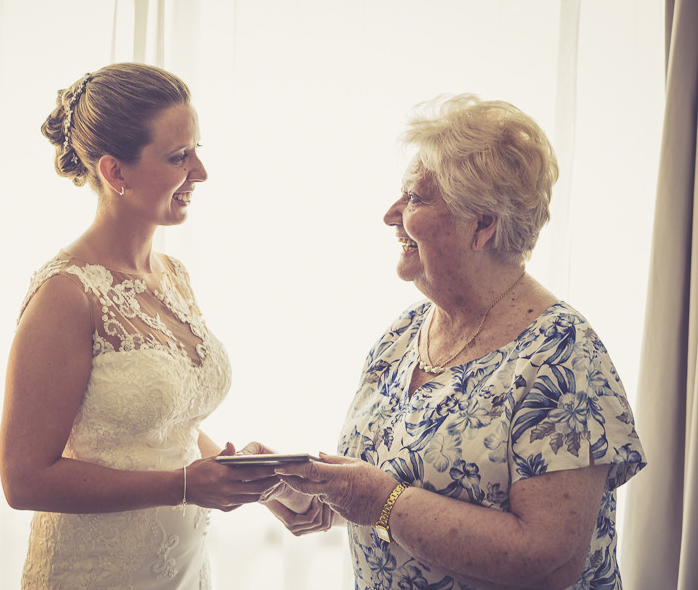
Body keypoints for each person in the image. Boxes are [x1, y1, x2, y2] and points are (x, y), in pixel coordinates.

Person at [272, 94, 646, 590]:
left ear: (483, 224)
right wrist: (322, 500)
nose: (390, 214)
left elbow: (547, 562)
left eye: (416, 198)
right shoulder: (403, 334)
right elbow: (409, 490)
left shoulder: (561, 355)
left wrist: (381, 503)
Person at [0, 63, 282, 590]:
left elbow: (166, 426)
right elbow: (24, 480)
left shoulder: (174, 275)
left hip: (182, 570)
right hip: (95, 574)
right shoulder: (66, 294)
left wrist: (245, 477)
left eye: (198, 151)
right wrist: (181, 487)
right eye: (179, 157)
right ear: (115, 172)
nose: (200, 172)